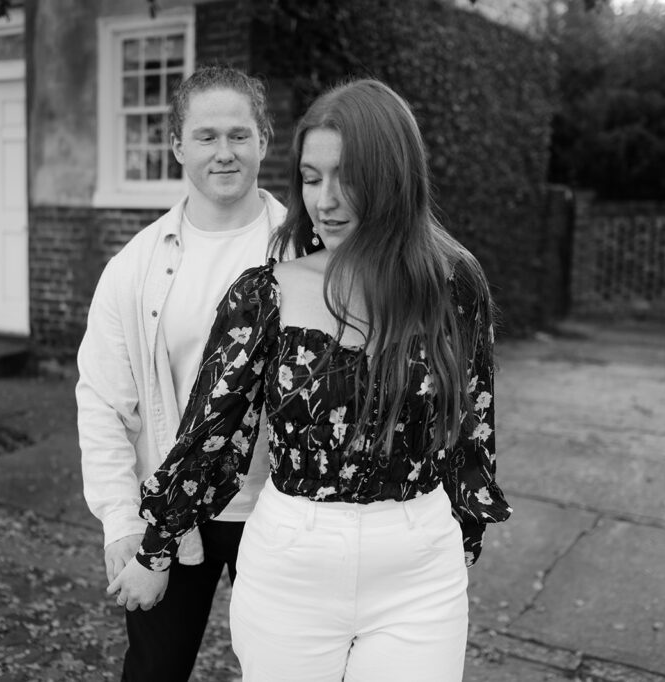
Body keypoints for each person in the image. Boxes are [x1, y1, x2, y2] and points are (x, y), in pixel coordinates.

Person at [109, 78, 513, 681]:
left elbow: (471, 424)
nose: (326, 199)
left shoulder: (452, 284)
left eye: (347, 176)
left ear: (393, 175)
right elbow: (212, 438)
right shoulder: (265, 292)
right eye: (311, 177)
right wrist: (155, 545)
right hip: (293, 563)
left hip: (416, 567)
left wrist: (460, 533)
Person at [76, 65, 287, 682]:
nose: (224, 152)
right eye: (206, 137)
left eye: (239, 135)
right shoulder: (134, 267)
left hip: (280, 516)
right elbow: (103, 401)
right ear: (176, 147)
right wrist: (120, 521)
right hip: (172, 516)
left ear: (263, 141)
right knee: (152, 671)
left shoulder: (306, 254)